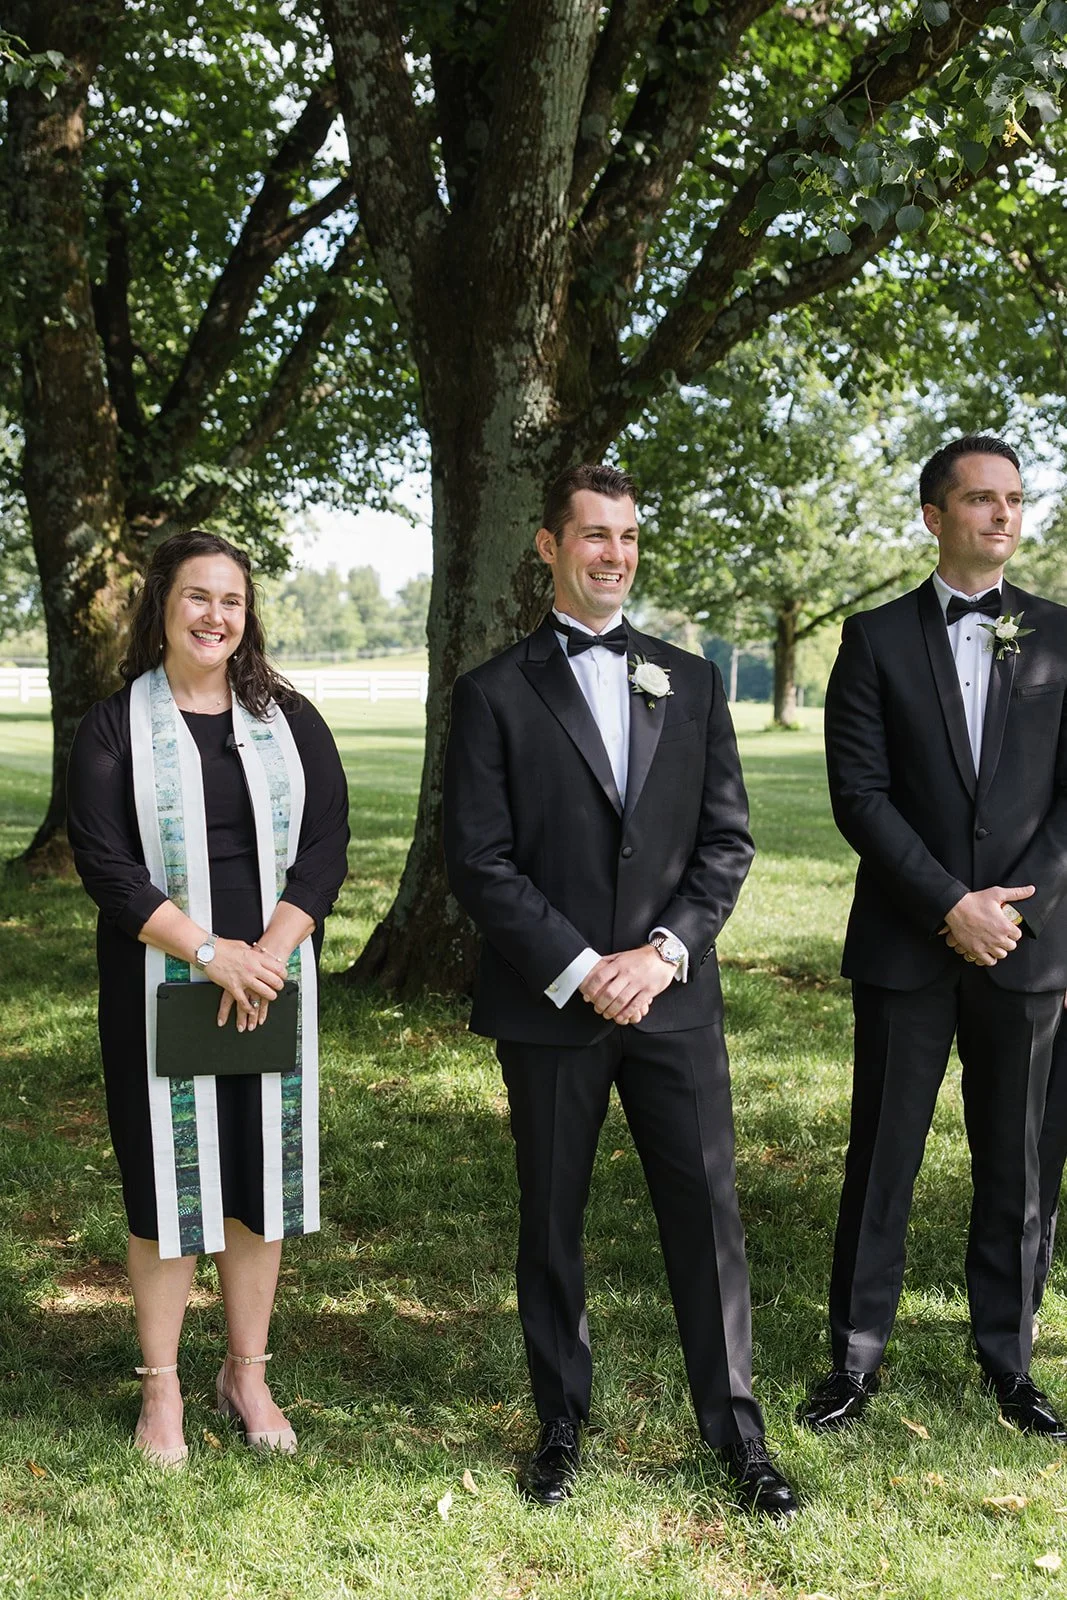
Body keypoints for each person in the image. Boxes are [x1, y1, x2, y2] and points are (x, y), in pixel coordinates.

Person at [442, 464, 798, 1519]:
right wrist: (579, 968)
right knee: (550, 1219)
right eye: (593, 534)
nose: (614, 553)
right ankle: (559, 1424)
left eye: (629, 535)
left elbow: (726, 840)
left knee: (707, 1216)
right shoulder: (493, 692)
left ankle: (736, 1432)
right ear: (546, 547)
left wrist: (660, 953)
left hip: (672, 1000)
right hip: (547, 1006)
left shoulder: (687, 682)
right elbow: (478, 859)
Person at [800, 435, 1067, 1438]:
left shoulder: (1059, 635)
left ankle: (1008, 1359)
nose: (999, 515)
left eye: (1011, 499)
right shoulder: (870, 639)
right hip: (907, 944)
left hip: (1027, 947)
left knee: (1020, 1159)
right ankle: (853, 1359)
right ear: (930, 516)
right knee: (881, 1154)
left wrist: (1011, 912)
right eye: (977, 500)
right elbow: (857, 795)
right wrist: (946, 904)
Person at [67, 529, 349, 1467]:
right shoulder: (116, 724)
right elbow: (105, 864)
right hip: (161, 983)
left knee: (257, 1184)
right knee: (167, 1189)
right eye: (197, 597)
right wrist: (208, 951)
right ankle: (162, 1389)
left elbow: (326, 847)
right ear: (162, 607)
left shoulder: (288, 717)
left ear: (248, 613)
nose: (215, 616)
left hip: (270, 981)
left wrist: (264, 952)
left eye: (231, 600)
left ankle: (246, 1371)